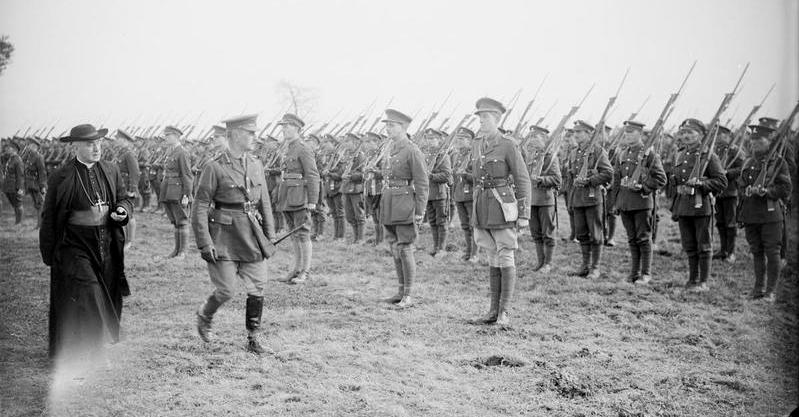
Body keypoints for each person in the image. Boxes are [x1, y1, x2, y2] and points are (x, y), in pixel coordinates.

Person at [39, 124, 133, 360]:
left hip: (105, 243)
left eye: (99, 143)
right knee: (89, 292)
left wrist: (122, 210)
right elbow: (49, 215)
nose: (96, 148)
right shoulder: (61, 175)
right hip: (74, 245)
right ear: (76, 146)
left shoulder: (111, 170)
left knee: (105, 292)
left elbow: (123, 199)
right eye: (90, 144)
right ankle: (95, 351)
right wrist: (49, 251)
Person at [192, 115, 276, 354]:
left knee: (258, 287)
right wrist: (204, 242)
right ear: (235, 135)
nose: (254, 137)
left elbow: (265, 202)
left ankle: (253, 337)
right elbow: (199, 206)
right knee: (226, 290)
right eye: (250, 133)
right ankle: (205, 315)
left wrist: (268, 235)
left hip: (251, 236)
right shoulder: (215, 166)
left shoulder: (256, 164)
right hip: (224, 237)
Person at [470, 97, 532, 326]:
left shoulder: (507, 144)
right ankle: (492, 310)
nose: (481, 121)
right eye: (479, 117)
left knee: (506, 252)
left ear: (496, 118)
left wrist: (524, 214)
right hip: (482, 205)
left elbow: (522, 179)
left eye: (485, 117)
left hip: (501, 204)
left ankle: (504, 311)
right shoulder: (477, 143)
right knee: (491, 254)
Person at [668, 118, 727, 291]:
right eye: (683, 132)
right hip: (683, 205)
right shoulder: (680, 154)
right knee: (689, 245)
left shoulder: (708, 156)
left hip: (701, 206)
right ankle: (692, 279)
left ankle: (703, 282)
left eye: (690, 132)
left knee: (704, 245)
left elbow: (721, 181)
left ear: (701, 135)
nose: (685, 136)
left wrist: (701, 183)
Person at [379, 109, 429, 307]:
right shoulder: (390, 148)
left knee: (405, 248)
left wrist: (419, 211)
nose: (388, 128)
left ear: (404, 127)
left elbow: (422, 183)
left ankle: (408, 294)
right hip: (390, 202)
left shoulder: (412, 150)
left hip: (405, 204)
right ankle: (400, 290)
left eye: (392, 125)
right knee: (394, 248)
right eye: (387, 125)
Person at [737, 118, 792, 302]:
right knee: (756, 251)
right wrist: (746, 189)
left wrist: (767, 191)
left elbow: (786, 188)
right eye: (752, 142)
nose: (755, 145)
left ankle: (770, 291)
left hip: (770, 215)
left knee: (772, 251)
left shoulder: (778, 163)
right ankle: (758, 288)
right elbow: (741, 183)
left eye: (759, 142)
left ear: (769, 142)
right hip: (751, 213)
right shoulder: (748, 161)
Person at [609, 120, 667, 284]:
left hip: (641, 203)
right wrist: (615, 203)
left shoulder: (649, 155)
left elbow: (661, 178)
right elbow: (617, 180)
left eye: (631, 132)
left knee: (643, 238)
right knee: (632, 238)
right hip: (625, 202)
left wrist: (644, 186)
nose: (627, 135)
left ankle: (646, 273)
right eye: (626, 132)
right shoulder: (622, 154)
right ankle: (634, 273)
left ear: (640, 134)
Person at [273, 113, 321, 284]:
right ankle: (296, 269)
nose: (284, 129)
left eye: (287, 126)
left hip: (300, 197)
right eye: (283, 127)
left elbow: (313, 175)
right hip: (288, 196)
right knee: (293, 234)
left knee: (303, 234)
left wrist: (313, 201)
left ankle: (305, 272)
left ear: (297, 128)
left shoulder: (303, 148)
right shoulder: (288, 148)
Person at [566, 120, 613, 279]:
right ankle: (585, 265)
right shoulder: (574, 153)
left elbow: (608, 173)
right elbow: (571, 176)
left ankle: (595, 267)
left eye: (579, 132)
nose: (576, 135)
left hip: (593, 198)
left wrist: (590, 180)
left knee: (596, 233)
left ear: (588, 133)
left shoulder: (598, 151)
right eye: (575, 132)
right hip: (578, 198)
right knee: (581, 233)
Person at [525, 125, 561, 274]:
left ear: (544, 140)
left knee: (548, 232)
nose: (532, 140)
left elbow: (557, 179)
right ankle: (540, 262)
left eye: (535, 137)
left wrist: (541, 179)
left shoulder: (550, 158)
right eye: (531, 136)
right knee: (536, 233)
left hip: (546, 200)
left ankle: (548, 263)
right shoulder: (530, 157)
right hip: (532, 200)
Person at [158, 125, 194, 259]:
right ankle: (176, 250)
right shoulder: (170, 151)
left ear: (176, 136)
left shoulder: (182, 152)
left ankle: (183, 252)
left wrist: (186, 194)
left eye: (168, 135)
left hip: (178, 191)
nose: (166, 138)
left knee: (182, 220)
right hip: (169, 189)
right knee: (175, 221)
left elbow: (187, 175)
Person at [712, 125, 744, 263]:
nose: (717, 138)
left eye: (720, 135)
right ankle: (723, 249)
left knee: (730, 223)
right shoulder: (716, 151)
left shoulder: (736, 151)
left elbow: (743, 168)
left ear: (727, 136)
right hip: (717, 191)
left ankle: (731, 252)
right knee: (720, 222)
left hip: (731, 191)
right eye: (716, 135)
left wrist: (728, 173)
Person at [425, 129, 453, 257]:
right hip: (428, 193)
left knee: (441, 221)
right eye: (428, 139)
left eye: (433, 139)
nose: (430, 141)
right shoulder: (425, 156)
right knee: (432, 221)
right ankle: (436, 247)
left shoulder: (443, 156)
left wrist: (431, 176)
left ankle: (441, 249)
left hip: (439, 193)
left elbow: (447, 175)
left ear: (439, 140)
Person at [452, 127, 477, 261]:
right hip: (459, 195)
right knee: (465, 225)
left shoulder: (475, 156)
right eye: (458, 139)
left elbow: (479, 177)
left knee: (473, 226)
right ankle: (468, 252)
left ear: (470, 141)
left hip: (470, 195)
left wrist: (466, 175)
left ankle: (474, 254)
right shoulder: (457, 155)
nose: (459, 141)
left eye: (462, 139)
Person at [115, 130, 141, 250]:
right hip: (120, 187)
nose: (116, 140)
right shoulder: (121, 153)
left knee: (129, 215)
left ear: (124, 140)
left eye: (118, 138)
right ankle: (123, 238)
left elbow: (135, 173)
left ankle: (130, 241)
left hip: (127, 188)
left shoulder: (129, 154)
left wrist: (133, 189)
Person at [340, 132, 366, 243]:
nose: (345, 144)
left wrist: (351, 176)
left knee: (359, 215)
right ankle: (356, 238)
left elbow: (363, 174)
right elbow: (342, 170)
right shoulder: (347, 156)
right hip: (346, 189)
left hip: (356, 189)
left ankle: (360, 239)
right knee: (349, 216)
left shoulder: (360, 156)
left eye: (347, 141)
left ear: (355, 142)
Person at [23, 137, 48, 228]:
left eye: (29, 145)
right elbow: (22, 162)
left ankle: (40, 225)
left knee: (40, 204)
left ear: (34, 146)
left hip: (37, 184)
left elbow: (42, 173)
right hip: (31, 184)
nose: (27, 146)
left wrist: (43, 186)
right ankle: (39, 224)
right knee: (37, 205)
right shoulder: (29, 155)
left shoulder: (38, 157)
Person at [2, 139, 25, 225]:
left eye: (9, 148)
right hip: (9, 186)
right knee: (14, 204)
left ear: (14, 149)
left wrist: (19, 188)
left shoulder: (18, 160)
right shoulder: (10, 159)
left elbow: (20, 176)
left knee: (18, 204)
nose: (7, 149)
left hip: (15, 186)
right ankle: (17, 220)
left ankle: (19, 222)